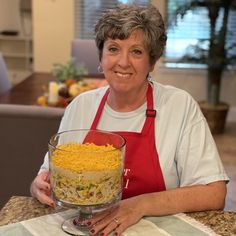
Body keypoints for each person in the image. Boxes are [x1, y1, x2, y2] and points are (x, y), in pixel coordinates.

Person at [30, 4, 229, 236]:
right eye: (113, 49)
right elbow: (49, 175)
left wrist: (139, 205)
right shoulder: (81, 106)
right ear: (101, 58)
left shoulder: (178, 106)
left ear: (151, 62)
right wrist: (38, 185)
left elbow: (214, 193)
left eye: (136, 51)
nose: (123, 62)